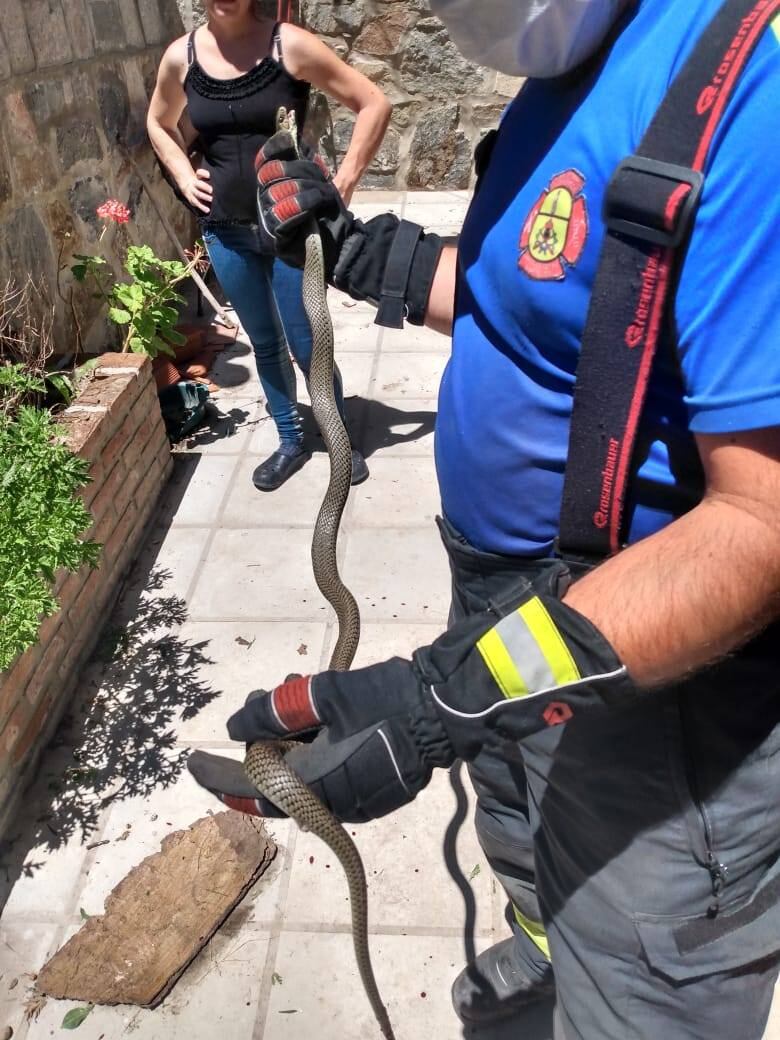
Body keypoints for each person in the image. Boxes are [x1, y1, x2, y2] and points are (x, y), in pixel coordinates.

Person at [189, 0, 780, 1036]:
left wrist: (438, 701)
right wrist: (359, 252)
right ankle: (548, 955)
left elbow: (761, 526)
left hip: (652, 688)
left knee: (639, 957)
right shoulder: (574, 65)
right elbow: (551, 296)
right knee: (524, 843)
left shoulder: (751, 90)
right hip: (514, 617)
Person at [147, 0, 391, 490]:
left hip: (291, 230)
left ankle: (337, 436)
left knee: (308, 340)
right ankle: (290, 438)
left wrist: (341, 185)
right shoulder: (182, 57)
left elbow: (374, 103)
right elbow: (159, 121)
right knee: (263, 342)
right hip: (224, 229)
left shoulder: (288, 44)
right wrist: (179, 170)